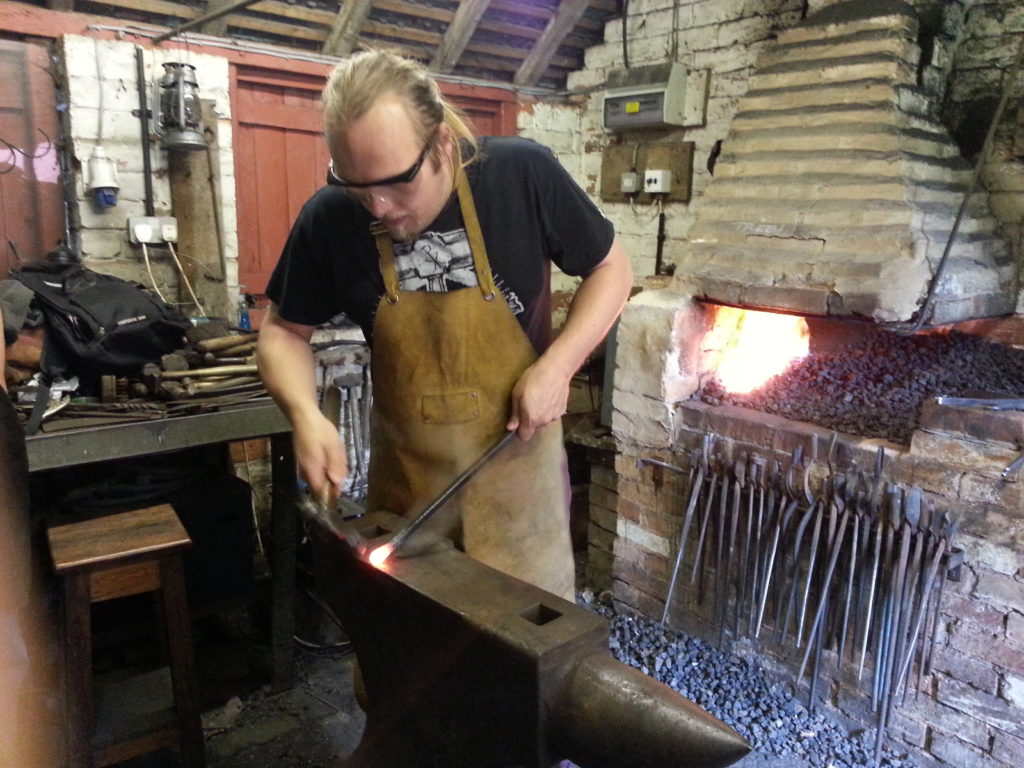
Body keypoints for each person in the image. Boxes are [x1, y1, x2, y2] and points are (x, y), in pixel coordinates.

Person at [258, 50, 633, 600]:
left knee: (525, 642)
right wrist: (305, 415)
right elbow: (282, 332)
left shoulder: (520, 176)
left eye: (397, 183)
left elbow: (612, 269)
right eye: (356, 186)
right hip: (409, 498)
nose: (378, 206)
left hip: (519, 485)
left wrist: (558, 367)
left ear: (442, 145)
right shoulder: (330, 217)